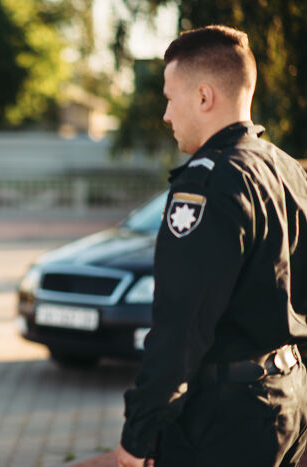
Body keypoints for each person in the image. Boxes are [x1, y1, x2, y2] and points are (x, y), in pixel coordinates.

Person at [115, 25, 307, 467]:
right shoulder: (288, 171)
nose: (166, 114)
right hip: (290, 403)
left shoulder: (209, 183)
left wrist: (137, 437)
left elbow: (181, 328)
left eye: (169, 97)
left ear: (203, 97)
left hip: (226, 422)